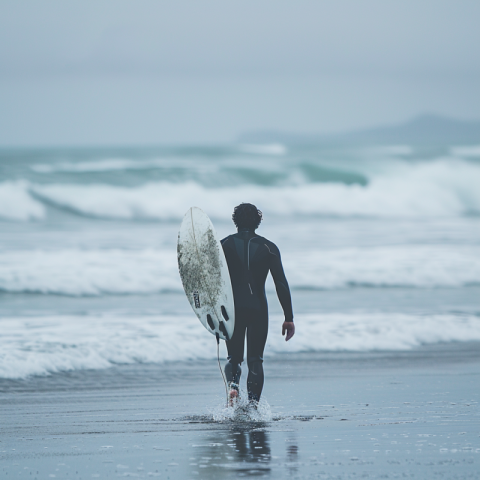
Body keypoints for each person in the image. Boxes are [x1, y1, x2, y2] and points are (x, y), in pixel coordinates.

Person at [221, 203, 295, 406]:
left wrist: (212, 313)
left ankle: (233, 387)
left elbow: (210, 282)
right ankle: (253, 408)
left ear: (235, 221)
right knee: (255, 360)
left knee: (234, 358)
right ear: (258, 221)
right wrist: (288, 317)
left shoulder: (223, 245)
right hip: (258, 308)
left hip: (232, 309)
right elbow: (280, 283)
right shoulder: (268, 247)